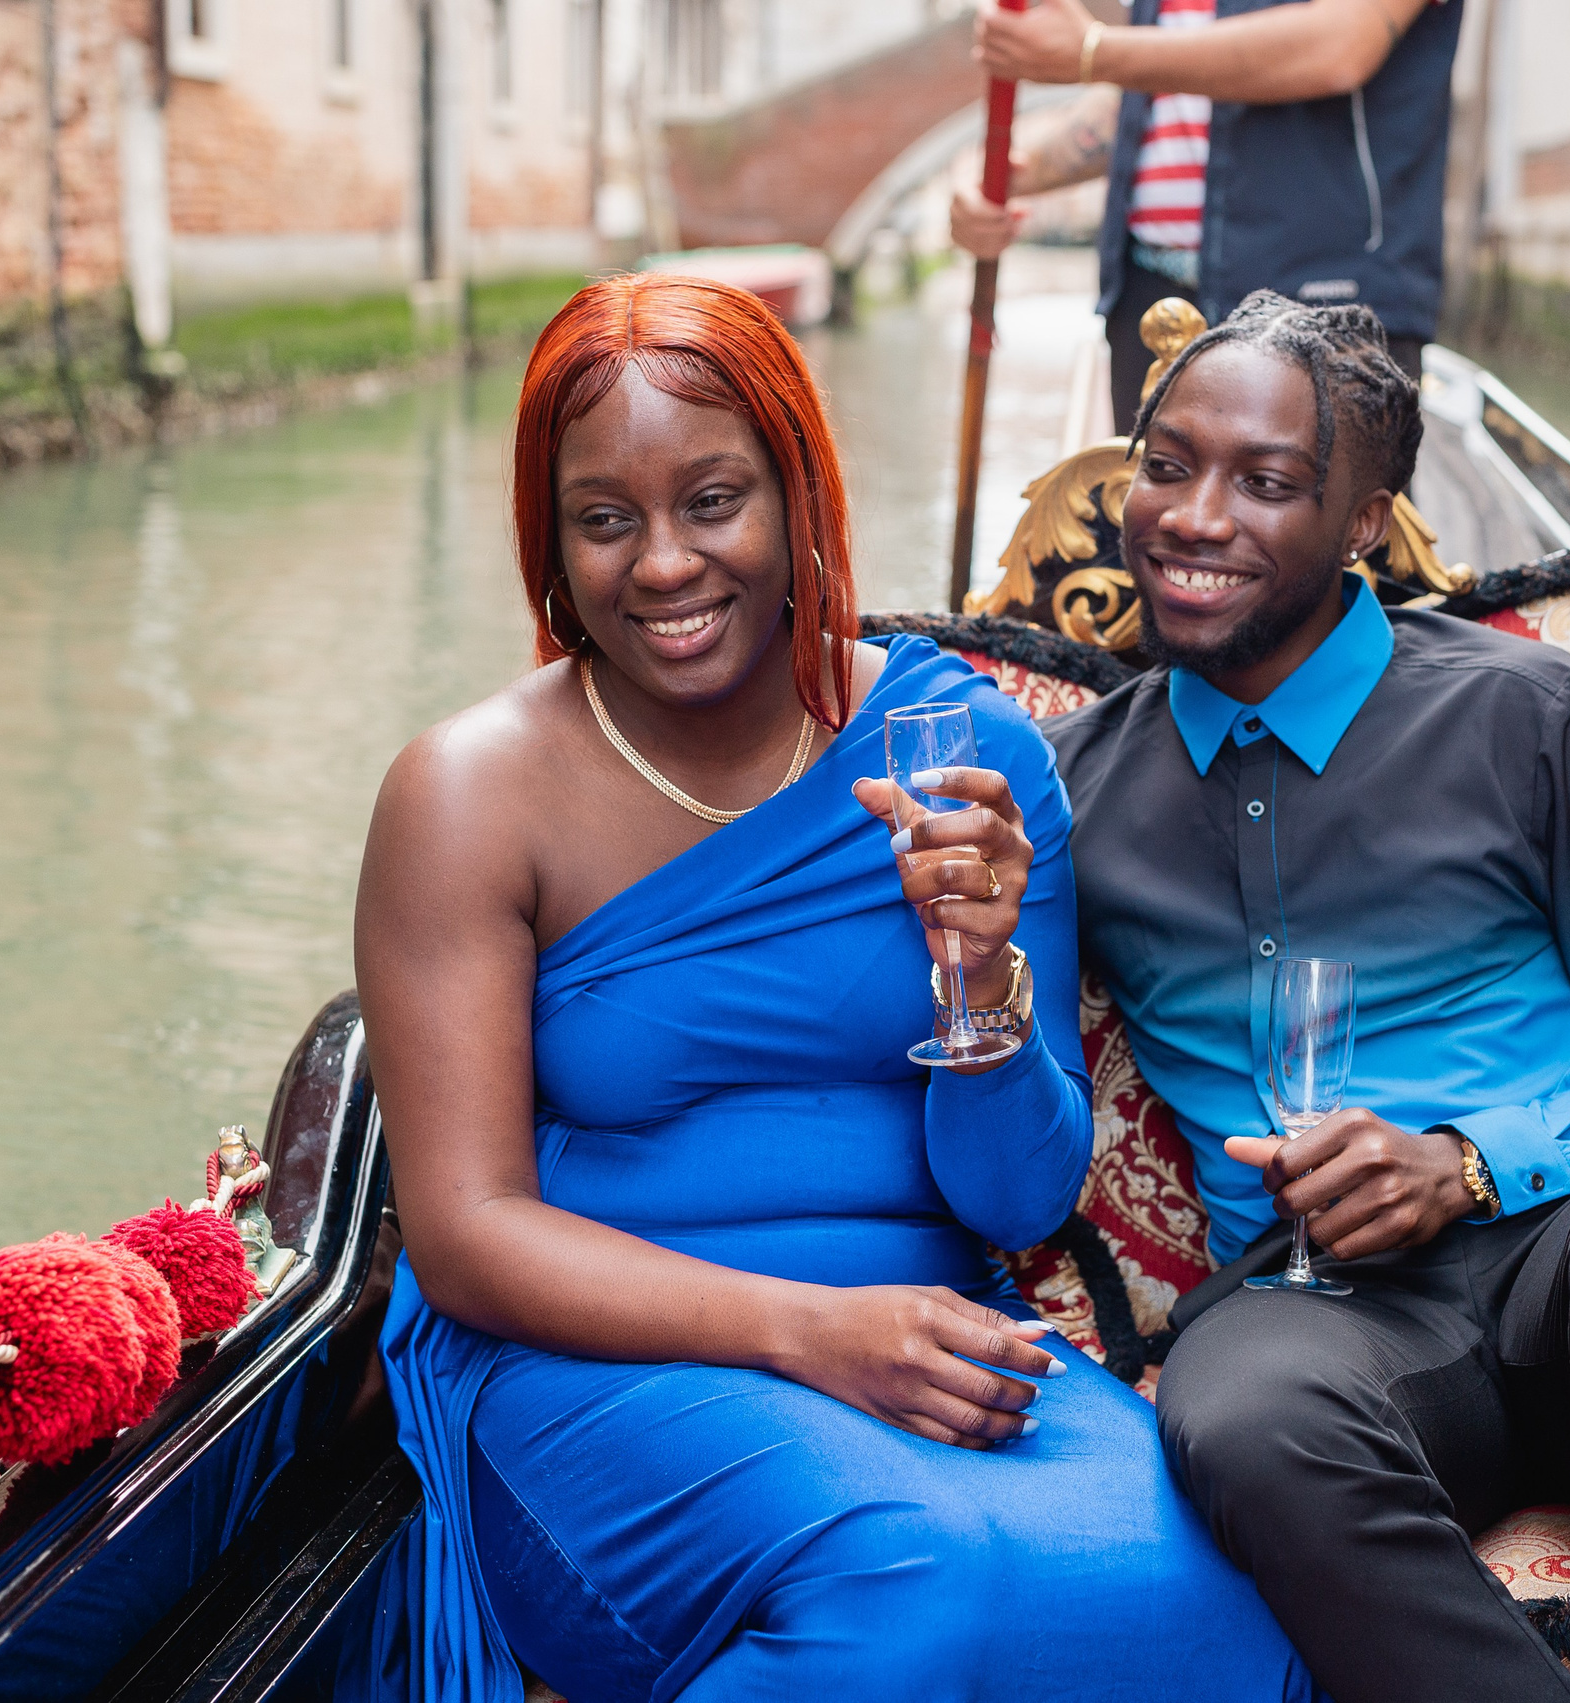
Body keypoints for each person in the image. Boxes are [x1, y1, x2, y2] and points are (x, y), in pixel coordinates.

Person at [356, 273, 1326, 1703]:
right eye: (605, 518)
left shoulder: (964, 752)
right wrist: (811, 1331)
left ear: (801, 495)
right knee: (909, 1575)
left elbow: (1017, 1205)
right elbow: (464, 1233)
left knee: (1228, 1594)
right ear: (552, 542)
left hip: (934, 1337)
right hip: (596, 1355)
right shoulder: (470, 795)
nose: (667, 564)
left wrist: (979, 980)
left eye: (714, 499)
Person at [1042, 290, 1570, 1703]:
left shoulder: (1534, 717)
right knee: (1233, 1410)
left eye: (1268, 482)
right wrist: (970, 951)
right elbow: (1015, 1128)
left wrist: (1469, 1163)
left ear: (1363, 522)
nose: (1192, 515)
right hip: (1319, 1313)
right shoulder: (1073, 788)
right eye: (1166, 464)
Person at [954, 0, 1460, 425]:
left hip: (1322, 298)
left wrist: (1096, 50)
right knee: (1156, 533)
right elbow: (1157, 90)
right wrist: (1000, 176)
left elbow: (1342, 43)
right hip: (1148, 300)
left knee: (1316, 536)